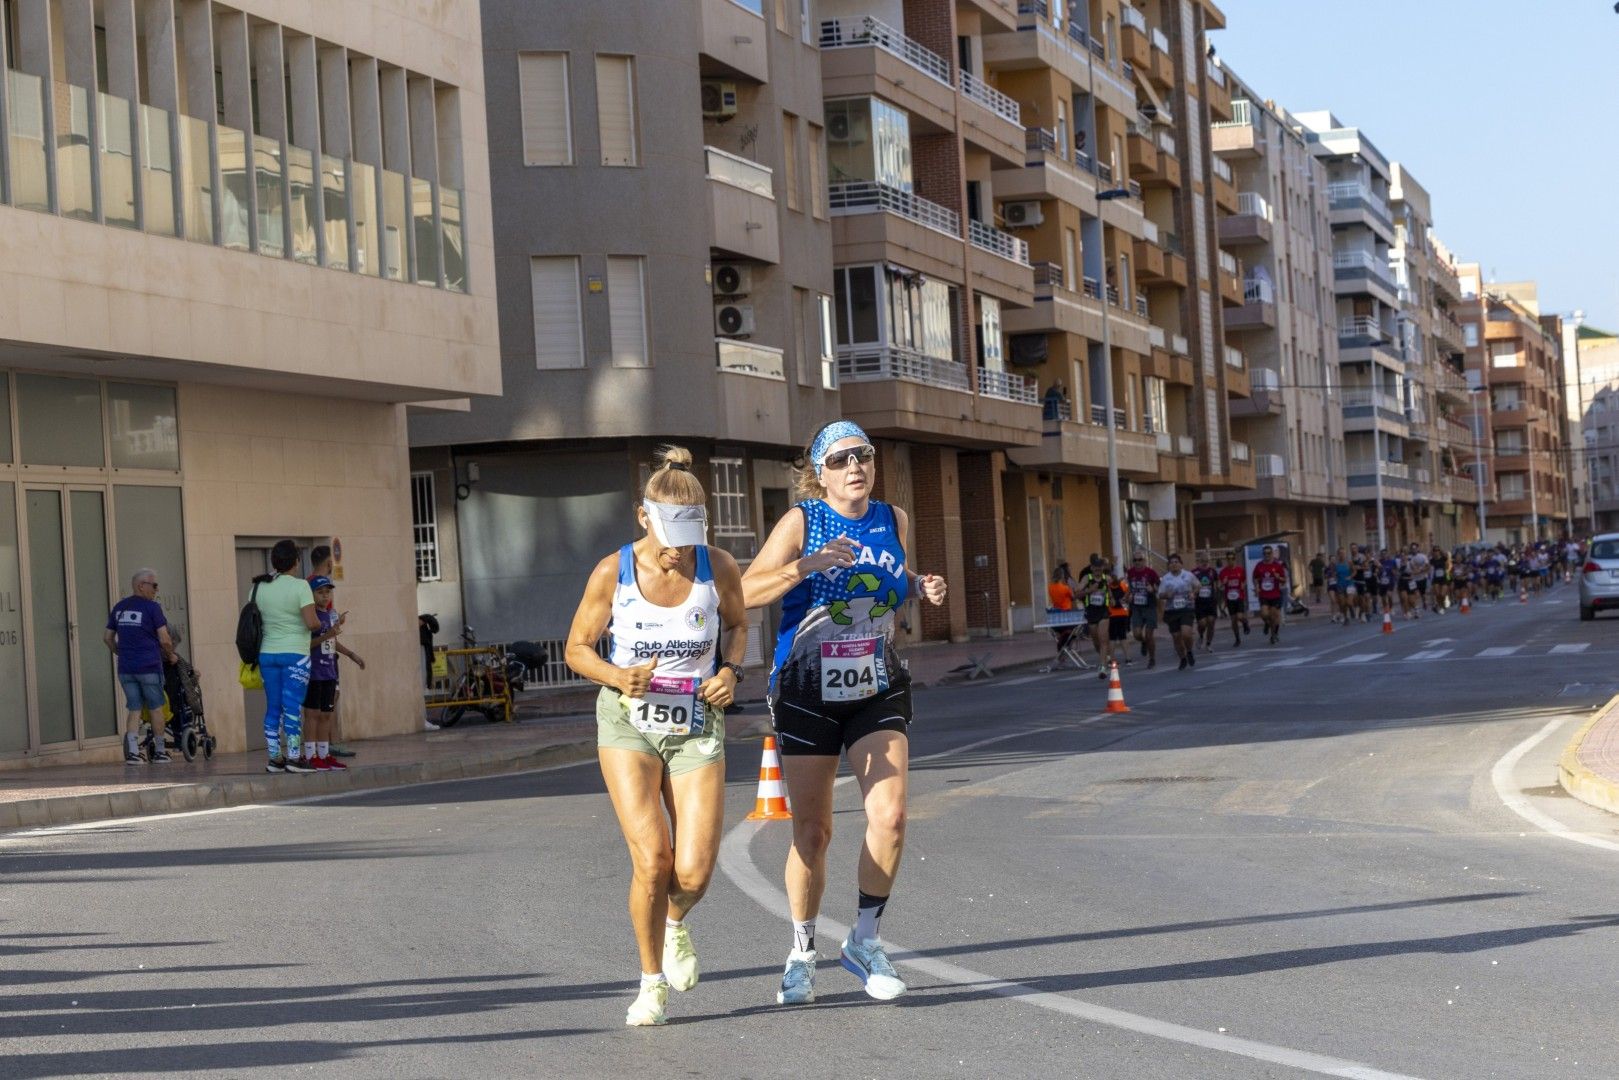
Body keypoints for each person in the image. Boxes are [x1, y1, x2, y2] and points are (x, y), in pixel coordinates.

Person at [741, 421, 947, 1007]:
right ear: (820, 472)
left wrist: (918, 586)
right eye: (840, 459)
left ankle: (864, 939)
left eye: (864, 455)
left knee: (892, 814)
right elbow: (746, 591)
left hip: (876, 684)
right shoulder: (802, 521)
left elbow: (887, 580)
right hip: (806, 686)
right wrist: (808, 565)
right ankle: (802, 950)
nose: (855, 466)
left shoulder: (893, 518)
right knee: (814, 831)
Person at [564, 446, 747, 1027]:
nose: (679, 550)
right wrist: (617, 674)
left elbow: (739, 626)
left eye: (690, 536)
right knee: (653, 860)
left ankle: (674, 926)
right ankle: (649, 983)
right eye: (671, 535)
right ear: (643, 518)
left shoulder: (717, 566)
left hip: (695, 717)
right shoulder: (610, 572)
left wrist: (728, 671)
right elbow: (576, 649)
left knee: (692, 871)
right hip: (627, 722)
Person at [255, 541, 324, 773]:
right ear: (296, 561)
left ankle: (275, 758)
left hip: (267, 655)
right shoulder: (301, 586)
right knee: (292, 706)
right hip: (295, 654)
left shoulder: (258, 587)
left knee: (273, 707)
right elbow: (312, 622)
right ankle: (295, 757)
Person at [104, 569, 178, 765]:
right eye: (153, 585)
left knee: (134, 708)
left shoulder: (119, 607)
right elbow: (164, 638)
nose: (156, 589)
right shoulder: (152, 608)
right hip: (149, 667)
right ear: (141, 586)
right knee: (155, 707)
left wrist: (119, 652)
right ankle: (160, 751)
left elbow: (107, 638)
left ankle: (133, 753)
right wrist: (171, 655)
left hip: (126, 669)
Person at [300, 576, 364, 771]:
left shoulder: (331, 615)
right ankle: (310, 755)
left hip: (329, 672)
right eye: (320, 592)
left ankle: (324, 753)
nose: (325, 596)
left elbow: (332, 641)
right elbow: (306, 644)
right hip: (313, 673)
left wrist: (351, 654)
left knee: (327, 714)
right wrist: (327, 635)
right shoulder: (310, 618)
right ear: (310, 595)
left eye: (328, 592)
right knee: (312, 714)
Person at [1158, 553, 1199, 670]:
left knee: (1186, 633)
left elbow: (1198, 586)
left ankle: (1190, 651)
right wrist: (1167, 594)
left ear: (1181, 564)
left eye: (1176, 562)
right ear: (1169, 566)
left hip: (1187, 608)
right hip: (1172, 610)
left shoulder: (1188, 575)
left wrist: (1193, 593)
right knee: (1176, 636)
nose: (1174, 564)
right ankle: (1182, 658)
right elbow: (1160, 594)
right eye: (1171, 563)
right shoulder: (1166, 579)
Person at [1077, 555, 1113, 673]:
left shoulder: (1107, 578)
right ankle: (1104, 657)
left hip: (1103, 611)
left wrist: (1112, 598)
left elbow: (1109, 590)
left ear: (1103, 567)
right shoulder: (1087, 578)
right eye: (1095, 567)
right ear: (1091, 568)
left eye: (1100, 566)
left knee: (1103, 638)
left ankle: (1102, 666)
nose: (1098, 569)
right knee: (1096, 640)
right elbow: (1076, 594)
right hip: (1091, 611)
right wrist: (1089, 590)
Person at [1126, 549, 1161, 669]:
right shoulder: (1130, 573)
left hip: (1149, 606)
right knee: (1136, 634)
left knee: (1149, 634)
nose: (1137, 562)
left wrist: (1153, 589)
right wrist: (1128, 596)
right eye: (1135, 560)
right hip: (1136, 607)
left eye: (1140, 559)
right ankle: (1144, 642)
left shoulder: (1151, 572)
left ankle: (1152, 659)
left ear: (1144, 560)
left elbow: (1159, 586)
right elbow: (1130, 587)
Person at [1045, 563, 1080, 666]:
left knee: (1062, 634)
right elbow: (1073, 597)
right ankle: (1064, 653)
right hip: (1066, 615)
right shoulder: (1065, 588)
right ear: (1062, 576)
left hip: (1056, 615)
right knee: (1074, 632)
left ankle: (1062, 655)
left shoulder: (1050, 587)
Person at [1252, 545, 1289, 644]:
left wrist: (1278, 578)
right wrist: (1256, 587)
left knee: (1274, 616)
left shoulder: (1277, 566)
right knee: (1264, 614)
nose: (1267, 555)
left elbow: (1284, 580)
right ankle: (1267, 624)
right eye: (1265, 553)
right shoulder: (1259, 565)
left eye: (1269, 553)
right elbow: (1255, 578)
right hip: (1264, 595)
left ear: (1272, 554)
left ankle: (1273, 635)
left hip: (1275, 595)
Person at [1217, 550, 1250, 646]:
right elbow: (1219, 586)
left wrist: (1243, 585)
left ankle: (1245, 623)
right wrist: (1223, 582)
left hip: (1239, 597)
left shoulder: (1240, 570)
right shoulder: (1223, 572)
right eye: (1229, 559)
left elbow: (1245, 580)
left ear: (1235, 559)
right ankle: (1237, 638)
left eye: (1232, 559)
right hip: (1229, 599)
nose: (1231, 561)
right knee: (1233, 620)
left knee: (1239, 616)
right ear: (1226, 560)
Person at [1191, 552, 1220, 653]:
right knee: (1202, 624)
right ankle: (1201, 636)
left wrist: (1216, 596)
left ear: (1210, 561)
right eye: (1203, 561)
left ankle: (1208, 644)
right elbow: (1190, 586)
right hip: (1199, 602)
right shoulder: (1194, 573)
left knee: (1211, 622)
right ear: (1199, 561)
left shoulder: (1213, 572)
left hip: (1211, 601)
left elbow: (1216, 585)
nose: (1205, 563)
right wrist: (1193, 594)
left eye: (1207, 561)